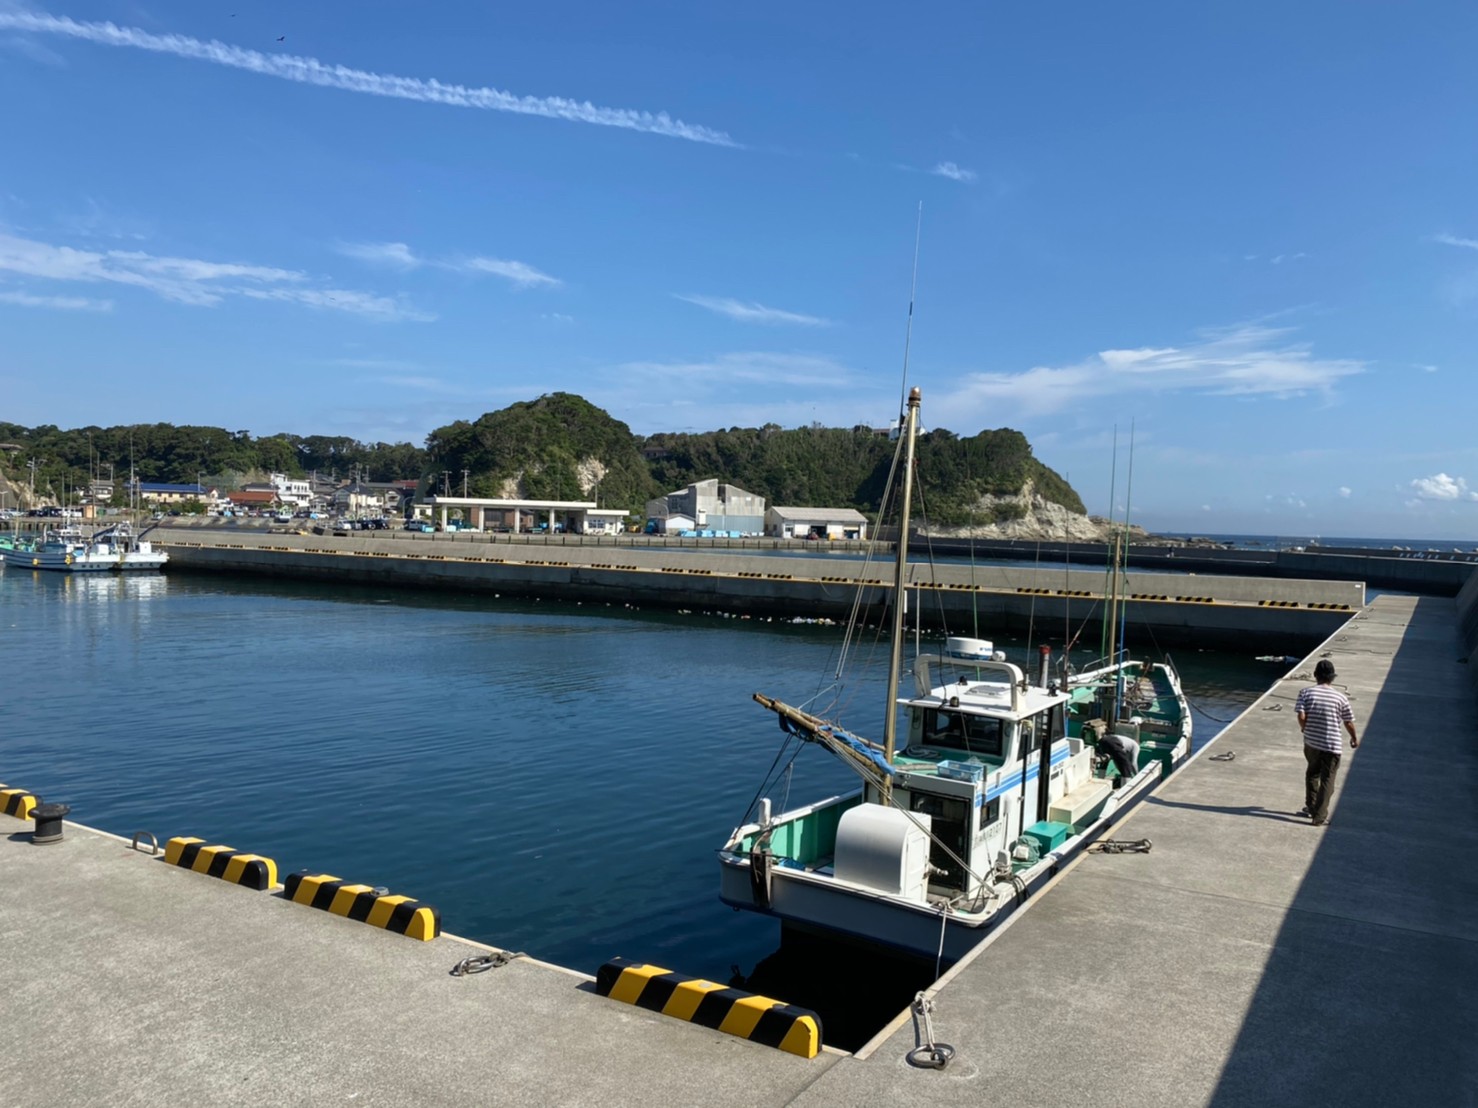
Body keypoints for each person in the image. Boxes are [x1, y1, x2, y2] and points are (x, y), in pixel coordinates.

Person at [1295, 659, 1359, 825]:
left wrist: (1304, 728)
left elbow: (1301, 716)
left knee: (1312, 774)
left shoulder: (1305, 693)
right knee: (1327, 780)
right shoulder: (1341, 698)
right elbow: (1348, 722)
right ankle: (1319, 816)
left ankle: (1311, 807)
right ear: (1332, 678)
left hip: (1311, 742)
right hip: (1332, 744)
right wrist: (1354, 737)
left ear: (1315, 675)